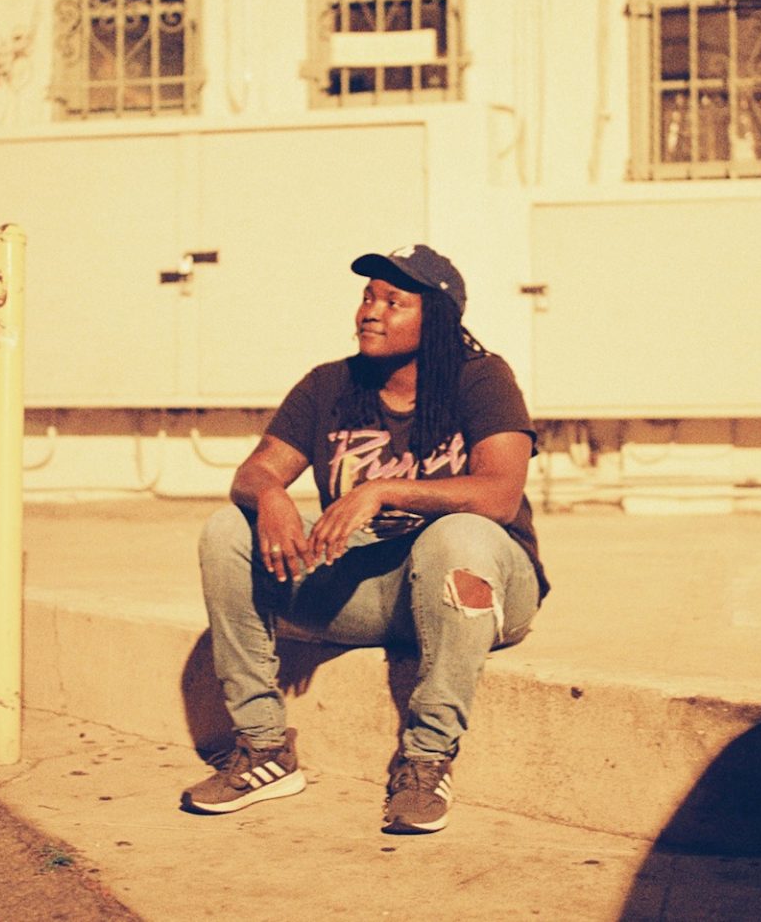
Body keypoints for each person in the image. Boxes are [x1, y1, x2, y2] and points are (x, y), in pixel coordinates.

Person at [181, 244, 549, 835]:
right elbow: (256, 471)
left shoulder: (481, 378)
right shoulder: (330, 385)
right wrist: (271, 495)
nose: (370, 311)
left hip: (475, 592)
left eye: (393, 301)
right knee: (228, 529)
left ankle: (427, 759)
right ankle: (264, 749)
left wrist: (382, 490)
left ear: (436, 320)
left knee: (457, 535)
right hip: (370, 591)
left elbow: (500, 495)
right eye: (367, 297)